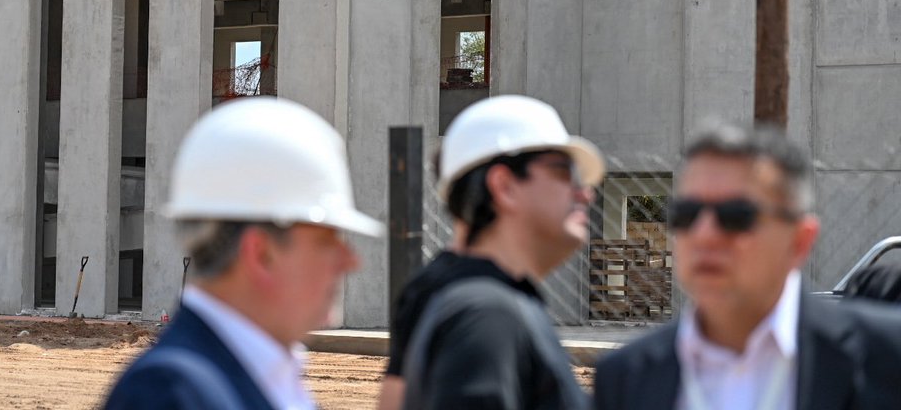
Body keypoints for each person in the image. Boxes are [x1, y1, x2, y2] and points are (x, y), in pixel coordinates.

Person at [594, 123, 901, 410]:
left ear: (799, 241)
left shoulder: (887, 358)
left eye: (735, 216)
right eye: (687, 214)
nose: (704, 234)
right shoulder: (623, 378)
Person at [103, 97, 383, 410]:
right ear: (261, 254)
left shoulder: (263, 374)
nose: (350, 260)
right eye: (326, 241)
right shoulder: (171, 394)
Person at [393, 95, 605, 410]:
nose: (585, 194)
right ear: (504, 186)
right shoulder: (489, 314)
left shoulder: (434, 291)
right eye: (564, 172)